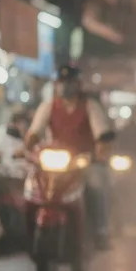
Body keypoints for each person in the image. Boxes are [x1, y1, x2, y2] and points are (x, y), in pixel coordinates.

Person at [25, 65, 113, 248]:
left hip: (82, 161)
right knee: (33, 186)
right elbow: (35, 131)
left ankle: (100, 230)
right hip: (54, 161)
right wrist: (25, 148)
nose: (65, 86)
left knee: (97, 185)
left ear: (78, 84)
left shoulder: (90, 105)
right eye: (61, 82)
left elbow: (101, 134)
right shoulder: (48, 106)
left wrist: (101, 151)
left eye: (69, 82)